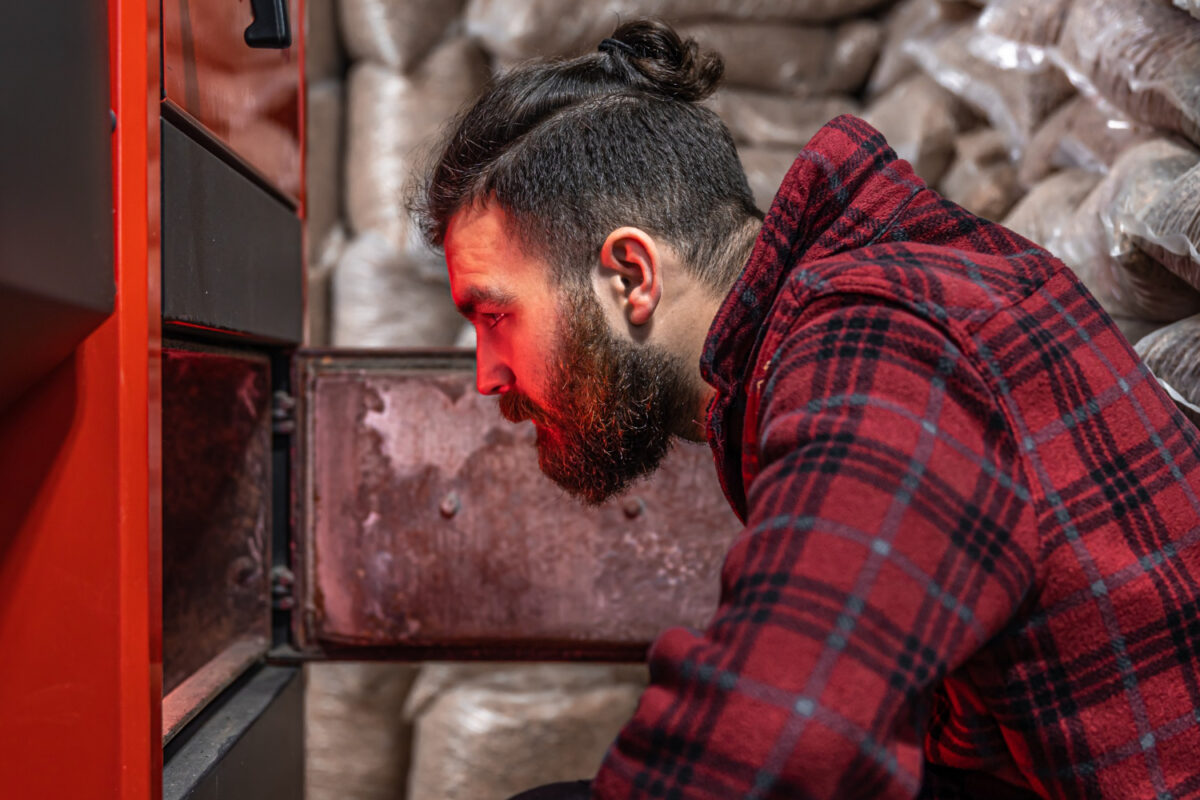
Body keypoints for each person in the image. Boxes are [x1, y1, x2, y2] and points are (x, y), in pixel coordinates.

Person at [415, 18, 1200, 800]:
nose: (488, 376)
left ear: (630, 276)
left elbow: (784, 731)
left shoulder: (877, 342)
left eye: (494, 317)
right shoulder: (828, 329)